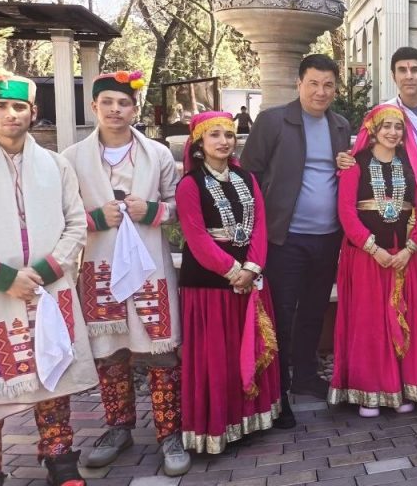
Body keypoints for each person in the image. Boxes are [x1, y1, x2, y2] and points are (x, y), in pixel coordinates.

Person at [0, 72, 98, 486]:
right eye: (1, 106)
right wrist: (2, 278)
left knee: (54, 374)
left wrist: (47, 271)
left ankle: (60, 460)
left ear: (33, 112)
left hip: (48, 287)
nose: (11, 114)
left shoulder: (56, 165)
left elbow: (76, 224)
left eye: (19, 106)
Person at [61, 71, 189, 476]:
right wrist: (95, 219)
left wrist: (152, 211)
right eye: (108, 103)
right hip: (100, 265)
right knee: (109, 352)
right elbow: (62, 216)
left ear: (135, 109)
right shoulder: (71, 159)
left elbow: (179, 205)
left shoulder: (158, 154)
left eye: (123, 103)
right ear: (94, 107)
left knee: (161, 351)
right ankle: (119, 428)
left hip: (149, 264)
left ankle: (170, 434)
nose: (116, 110)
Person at [240, 54, 350, 427]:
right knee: (282, 313)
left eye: (328, 85)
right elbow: (250, 176)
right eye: (313, 83)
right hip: (284, 238)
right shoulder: (273, 121)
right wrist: (253, 234)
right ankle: (279, 389)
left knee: (314, 309)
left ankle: (305, 374)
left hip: (328, 237)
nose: (321, 91)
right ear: (299, 83)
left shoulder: (340, 125)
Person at [175, 112, 280, 454]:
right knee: (217, 357)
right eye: (215, 135)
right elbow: (196, 238)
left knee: (247, 348)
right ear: (199, 143)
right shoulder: (189, 184)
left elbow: (260, 225)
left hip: (249, 276)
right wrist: (235, 272)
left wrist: (252, 268)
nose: (224, 141)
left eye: (229, 135)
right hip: (210, 284)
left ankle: (250, 419)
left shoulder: (246, 178)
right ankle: (219, 425)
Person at [336, 47, 417, 333]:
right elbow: (364, 150)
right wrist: (345, 159)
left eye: (414, 69)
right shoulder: (384, 112)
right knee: (389, 288)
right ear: (393, 76)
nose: (409, 75)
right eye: (402, 70)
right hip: (397, 212)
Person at [328, 103, 417, 416]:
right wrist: (373, 249)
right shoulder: (355, 164)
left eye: (398, 127)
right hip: (366, 259)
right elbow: (346, 212)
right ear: (373, 131)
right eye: (386, 126)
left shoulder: (412, 165)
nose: (392, 132)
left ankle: (402, 387)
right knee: (370, 323)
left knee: (405, 320)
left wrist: (410, 249)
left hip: (405, 258)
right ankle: (369, 392)